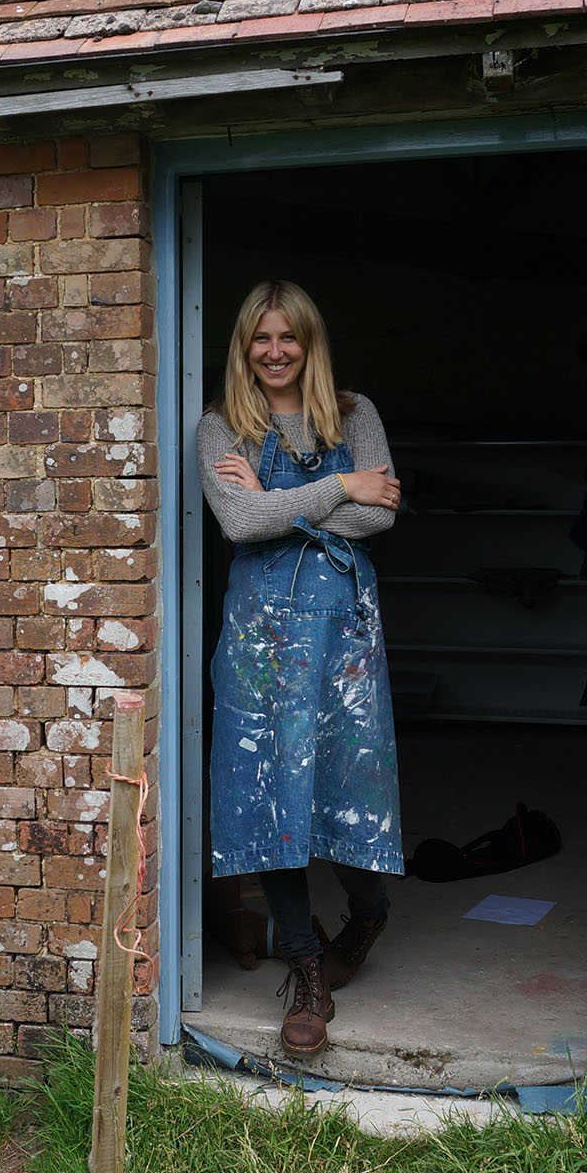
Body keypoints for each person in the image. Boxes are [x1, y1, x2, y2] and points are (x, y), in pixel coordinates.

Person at [198, 280, 402, 1058]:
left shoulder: (356, 415)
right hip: (257, 641)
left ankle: (369, 911)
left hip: (342, 634)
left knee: (352, 788)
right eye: (260, 339)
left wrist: (287, 501)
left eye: (289, 338)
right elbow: (237, 520)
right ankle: (305, 971)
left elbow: (379, 515)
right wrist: (337, 487)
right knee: (266, 797)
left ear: (310, 344)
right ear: (243, 347)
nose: (275, 353)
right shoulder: (220, 427)